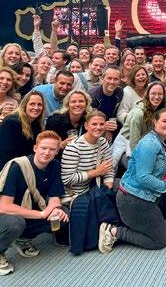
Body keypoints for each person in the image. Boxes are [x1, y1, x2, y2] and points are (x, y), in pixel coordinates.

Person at [98, 109, 166, 252]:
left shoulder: (162, 141)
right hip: (133, 198)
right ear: (155, 122)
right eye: (164, 121)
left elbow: (164, 166)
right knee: (158, 241)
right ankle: (113, 231)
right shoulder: (149, 144)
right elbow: (143, 177)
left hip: (151, 195)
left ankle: (149, 222)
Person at [0, 131, 69, 276]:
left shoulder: (55, 165)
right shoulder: (17, 166)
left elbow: (54, 197)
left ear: (57, 151)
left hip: (31, 210)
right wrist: (42, 214)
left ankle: (22, 238)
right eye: (43, 148)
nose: (47, 152)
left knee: (63, 215)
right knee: (15, 223)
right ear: (35, 148)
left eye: (52, 149)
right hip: (7, 215)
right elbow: (4, 206)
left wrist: (55, 209)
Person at [61, 110, 114, 202]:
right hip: (75, 196)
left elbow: (108, 170)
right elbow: (67, 179)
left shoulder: (103, 142)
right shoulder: (73, 147)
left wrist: (107, 192)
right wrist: (95, 172)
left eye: (101, 124)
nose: (98, 127)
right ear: (86, 126)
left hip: (95, 190)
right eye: (94, 124)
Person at [112, 82, 166, 170]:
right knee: (141, 169)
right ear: (147, 94)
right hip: (127, 146)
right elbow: (134, 141)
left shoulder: (160, 111)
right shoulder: (139, 113)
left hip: (145, 144)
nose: (156, 97)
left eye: (160, 94)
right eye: (153, 93)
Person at [0, 91, 45, 169]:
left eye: (39, 104)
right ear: (24, 105)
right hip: (10, 168)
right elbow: (7, 155)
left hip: (26, 166)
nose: (36, 108)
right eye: (32, 104)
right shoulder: (12, 122)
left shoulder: (36, 124)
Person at [45, 89, 91, 153]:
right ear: (67, 105)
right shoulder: (54, 121)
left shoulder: (88, 121)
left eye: (81, 101)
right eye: (73, 102)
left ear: (86, 104)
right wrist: (62, 144)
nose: (77, 104)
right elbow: (46, 146)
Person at [88, 66, 123, 142]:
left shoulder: (120, 92)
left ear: (119, 81)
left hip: (113, 128)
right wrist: (104, 128)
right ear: (102, 79)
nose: (112, 82)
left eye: (116, 79)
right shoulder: (92, 95)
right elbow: (90, 118)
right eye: (109, 78)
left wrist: (110, 130)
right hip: (95, 128)